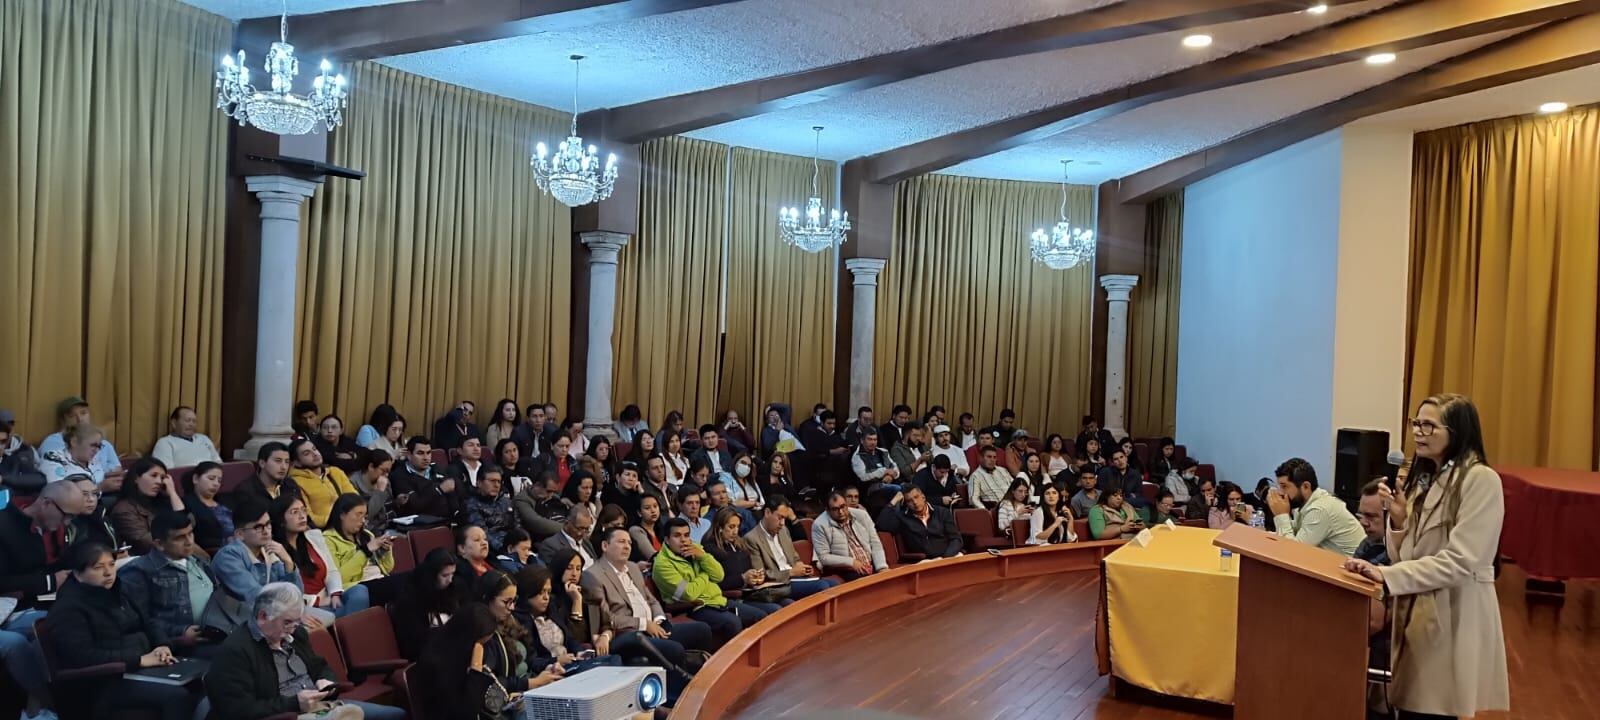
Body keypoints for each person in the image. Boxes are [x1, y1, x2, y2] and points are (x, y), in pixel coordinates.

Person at [1341, 394, 1508, 719]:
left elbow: (1463, 561)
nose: (1419, 432)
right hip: (1418, 615)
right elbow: (1409, 555)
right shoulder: (1427, 480)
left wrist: (1387, 575)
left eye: (1429, 425)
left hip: (1453, 612)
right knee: (1415, 710)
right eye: (1416, 423)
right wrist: (1401, 522)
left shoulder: (1481, 480)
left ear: (1456, 432)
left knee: (1435, 711)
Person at [205, 581, 406, 720]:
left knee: (396, 715)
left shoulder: (296, 634)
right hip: (287, 715)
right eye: (287, 622)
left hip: (318, 705)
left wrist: (325, 681)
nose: (294, 627)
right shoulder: (235, 651)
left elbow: (319, 666)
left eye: (296, 621)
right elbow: (238, 711)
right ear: (263, 616)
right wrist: (294, 703)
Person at [47, 542, 201, 720]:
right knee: (177, 696)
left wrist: (162, 645)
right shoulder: (68, 608)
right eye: (98, 568)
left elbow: (148, 622)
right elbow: (82, 656)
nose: (108, 573)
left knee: (207, 678)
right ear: (78, 573)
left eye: (111, 565)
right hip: (105, 682)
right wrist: (139, 660)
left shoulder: (120, 589)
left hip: (142, 666)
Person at [583, 527, 716, 701]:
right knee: (674, 649)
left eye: (629, 543)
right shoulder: (593, 575)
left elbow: (651, 600)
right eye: (621, 542)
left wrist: (659, 619)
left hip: (655, 625)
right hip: (629, 633)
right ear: (605, 546)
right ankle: (681, 695)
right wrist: (645, 624)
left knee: (702, 630)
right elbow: (608, 619)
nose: (627, 546)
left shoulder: (632, 567)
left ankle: (704, 682)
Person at [0, 480, 86, 710]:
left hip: (16, 608)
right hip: (7, 610)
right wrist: (48, 582)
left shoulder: (40, 530)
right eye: (66, 515)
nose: (66, 523)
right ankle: (43, 705)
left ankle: (71, 696)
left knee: (58, 621)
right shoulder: (4, 526)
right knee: (18, 642)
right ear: (47, 503)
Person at [118, 509, 231, 652]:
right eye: (180, 538)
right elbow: (139, 620)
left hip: (215, 635)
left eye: (190, 534)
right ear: (159, 544)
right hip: (176, 646)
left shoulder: (200, 562)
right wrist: (179, 633)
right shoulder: (139, 571)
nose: (189, 542)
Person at [653, 517, 765, 646]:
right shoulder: (663, 564)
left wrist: (703, 556)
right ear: (667, 540)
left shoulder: (696, 549)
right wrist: (705, 574)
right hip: (694, 608)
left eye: (686, 535)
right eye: (677, 536)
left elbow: (719, 575)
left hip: (717, 601)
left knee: (760, 616)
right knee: (732, 622)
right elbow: (689, 593)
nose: (683, 540)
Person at [210, 497, 306, 633]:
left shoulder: (269, 551)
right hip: (236, 625)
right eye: (258, 527)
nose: (266, 531)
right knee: (302, 631)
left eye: (268, 524)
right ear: (240, 534)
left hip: (271, 617)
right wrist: (293, 616)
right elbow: (255, 596)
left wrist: (288, 562)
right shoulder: (229, 556)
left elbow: (297, 593)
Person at [412, 603, 515, 720]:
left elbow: (489, 694)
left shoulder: (461, 651)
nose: (482, 650)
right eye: (481, 644)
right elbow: (466, 713)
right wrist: (476, 669)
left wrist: (509, 701)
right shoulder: (437, 661)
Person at [271, 496, 364, 622]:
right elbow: (284, 593)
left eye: (303, 510)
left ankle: (347, 630)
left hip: (328, 597)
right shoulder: (275, 551)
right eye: (295, 512)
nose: (302, 516)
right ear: (281, 519)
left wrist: (335, 594)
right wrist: (317, 601)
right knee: (349, 613)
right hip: (306, 606)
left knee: (360, 591)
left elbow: (331, 570)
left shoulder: (314, 537)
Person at [744, 495, 837, 600]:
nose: (782, 523)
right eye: (780, 518)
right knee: (822, 586)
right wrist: (790, 573)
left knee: (834, 584)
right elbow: (760, 574)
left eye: (784, 518)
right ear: (767, 512)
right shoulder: (751, 539)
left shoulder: (784, 530)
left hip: (795, 578)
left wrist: (802, 567)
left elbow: (795, 558)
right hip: (779, 584)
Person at [1267, 458, 1364, 556]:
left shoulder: (1320, 509)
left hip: (1352, 568)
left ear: (1305, 487)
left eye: (1284, 487)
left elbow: (1293, 552)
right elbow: (1295, 533)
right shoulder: (1304, 504)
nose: (1280, 492)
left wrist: (1281, 515)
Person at [705, 508, 787, 615]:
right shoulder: (710, 548)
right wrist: (743, 578)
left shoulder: (739, 544)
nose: (735, 531)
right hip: (730, 597)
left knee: (788, 603)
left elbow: (747, 570)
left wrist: (756, 577)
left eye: (738, 527)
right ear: (719, 527)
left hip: (749, 593)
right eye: (731, 527)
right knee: (774, 610)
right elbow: (715, 584)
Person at [38, 397, 126, 492]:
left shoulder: (104, 443)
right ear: (63, 420)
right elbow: (61, 484)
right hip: (77, 495)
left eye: (83, 413)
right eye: (72, 416)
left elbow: (116, 469)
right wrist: (99, 487)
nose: (79, 419)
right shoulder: (53, 443)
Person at [390, 547, 462, 661]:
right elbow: (412, 643)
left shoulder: (450, 591)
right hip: (426, 657)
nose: (450, 580)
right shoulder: (410, 600)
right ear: (431, 575)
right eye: (445, 575)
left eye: (452, 574)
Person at [322, 494, 397, 601]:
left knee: (414, 580)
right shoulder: (328, 540)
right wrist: (365, 551)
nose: (362, 521)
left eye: (364, 516)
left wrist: (386, 551)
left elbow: (388, 568)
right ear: (342, 515)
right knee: (406, 584)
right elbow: (337, 579)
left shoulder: (366, 535)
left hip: (380, 580)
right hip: (357, 588)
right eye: (358, 515)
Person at [111, 456, 189, 555]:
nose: (159, 482)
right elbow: (145, 542)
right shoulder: (124, 509)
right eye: (153, 475)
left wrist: (172, 493)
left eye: (162, 478)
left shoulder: (162, 502)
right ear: (136, 478)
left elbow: (186, 524)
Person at [286, 437, 359, 529]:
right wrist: (337, 520)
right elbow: (308, 517)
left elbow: (355, 499)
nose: (315, 454)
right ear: (297, 463)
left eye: (314, 449)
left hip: (350, 525)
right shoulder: (295, 482)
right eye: (306, 453)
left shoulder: (335, 472)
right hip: (325, 531)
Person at [812, 490, 887, 579]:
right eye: (835, 509)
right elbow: (823, 557)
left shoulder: (861, 515)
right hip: (845, 569)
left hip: (871, 563)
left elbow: (875, 543)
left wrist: (881, 567)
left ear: (846, 504)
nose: (841, 512)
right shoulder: (819, 525)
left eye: (843, 507)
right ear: (827, 510)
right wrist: (851, 562)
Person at [877, 486, 963, 559]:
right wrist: (893, 502)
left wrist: (946, 558)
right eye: (909, 500)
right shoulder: (902, 518)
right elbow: (882, 525)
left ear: (923, 497)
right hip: (924, 561)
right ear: (906, 504)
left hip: (948, 556)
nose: (914, 502)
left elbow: (956, 539)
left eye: (916, 497)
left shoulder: (942, 512)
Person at [391, 435, 460, 521]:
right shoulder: (399, 475)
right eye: (420, 453)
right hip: (421, 524)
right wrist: (439, 490)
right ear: (409, 455)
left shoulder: (437, 469)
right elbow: (414, 505)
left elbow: (455, 496)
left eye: (428, 453)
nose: (426, 458)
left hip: (448, 520)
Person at [229, 442, 301, 508]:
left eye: (287, 462)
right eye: (278, 461)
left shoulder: (290, 485)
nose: (284, 467)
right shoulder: (246, 491)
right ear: (262, 463)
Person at [183, 461, 234, 552]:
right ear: (195, 479)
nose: (216, 484)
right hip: (219, 552)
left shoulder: (225, 501)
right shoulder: (188, 504)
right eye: (211, 478)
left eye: (219, 480)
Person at [151, 405, 222, 468]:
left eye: (194, 421)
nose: (191, 424)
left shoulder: (204, 438)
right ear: (174, 423)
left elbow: (218, 462)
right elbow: (167, 472)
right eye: (187, 420)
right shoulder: (165, 443)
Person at [466, 465, 516, 553]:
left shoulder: (506, 501)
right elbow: (482, 535)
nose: (496, 485)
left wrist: (521, 543)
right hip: (492, 550)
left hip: (513, 547)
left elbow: (517, 526)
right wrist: (505, 549)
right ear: (479, 483)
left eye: (499, 482)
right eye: (492, 481)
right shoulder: (471, 505)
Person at [347, 449, 395, 532]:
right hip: (367, 530)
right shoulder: (352, 483)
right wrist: (380, 492)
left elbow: (390, 507)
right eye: (383, 471)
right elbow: (365, 515)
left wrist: (398, 502)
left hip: (388, 526)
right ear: (371, 466)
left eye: (388, 472)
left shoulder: (384, 481)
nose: (386, 475)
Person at [513, 471, 567, 542]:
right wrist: (566, 528)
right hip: (529, 540)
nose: (551, 495)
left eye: (554, 492)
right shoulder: (522, 499)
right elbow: (536, 522)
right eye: (548, 491)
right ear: (537, 485)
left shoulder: (553, 497)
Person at [537, 505, 596, 569]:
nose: (582, 533)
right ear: (566, 523)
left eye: (586, 529)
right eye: (579, 528)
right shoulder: (550, 546)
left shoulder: (586, 542)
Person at [454, 524, 497, 591]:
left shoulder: (494, 562)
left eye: (485, 539)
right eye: (477, 540)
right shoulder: (461, 576)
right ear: (462, 548)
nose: (484, 543)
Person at [968, 446, 1012, 511]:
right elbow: (973, 499)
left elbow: (1015, 487)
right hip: (997, 509)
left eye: (994, 457)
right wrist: (985, 512)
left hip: (1014, 505)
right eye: (989, 457)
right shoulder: (975, 476)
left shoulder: (1003, 470)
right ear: (981, 458)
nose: (992, 460)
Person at [629, 494, 666, 564]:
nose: (653, 511)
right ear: (639, 513)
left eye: (655, 506)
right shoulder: (635, 530)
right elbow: (652, 555)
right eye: (647, 508)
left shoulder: (661, 529)